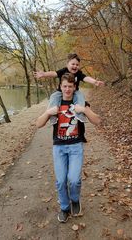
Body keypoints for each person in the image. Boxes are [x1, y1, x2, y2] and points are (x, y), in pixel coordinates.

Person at [36, 73, 100, 223]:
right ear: (60, 87)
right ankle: (65, 207)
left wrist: (84, 110)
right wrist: (47, 113)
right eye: (64, 86)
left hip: (75, 147)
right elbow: (38, 124)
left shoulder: (80, 102)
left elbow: (98, 121)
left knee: (74, 180)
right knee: (60, 181)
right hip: (59, 148)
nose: (67, 89)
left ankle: (75, 200)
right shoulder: (55, 104)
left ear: (74, 87)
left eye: (70, 86)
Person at [33, 53, 104, 124]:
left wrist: (94, 82)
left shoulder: (79, 73)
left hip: (75, 92)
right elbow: (54, 73)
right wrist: (44, 74)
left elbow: (85, 78)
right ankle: (53, 116)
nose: (75, 66)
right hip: (59, 92)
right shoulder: (63, 71)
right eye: (73, 64)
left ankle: (80, 115)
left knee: (80, 95)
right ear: (67, 64)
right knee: (53, 96)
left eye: (77, 65)